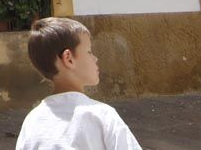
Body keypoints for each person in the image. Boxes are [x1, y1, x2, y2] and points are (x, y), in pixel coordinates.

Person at [16, 17, 142, 150]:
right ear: (68, 59)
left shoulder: (33, 121)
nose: (95, 58)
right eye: (89, 51)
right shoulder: (102, 115)